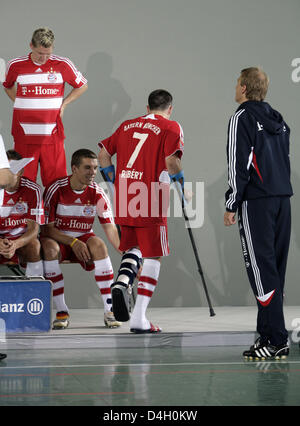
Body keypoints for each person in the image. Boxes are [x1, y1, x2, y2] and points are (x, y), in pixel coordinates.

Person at [98, 89, 184, 333]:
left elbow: (103, 154)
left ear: (147, 108)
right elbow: (171, 162)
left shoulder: (126, 125)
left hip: (127, 196)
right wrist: (182, 184)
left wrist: (114, 181)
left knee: (132, 247)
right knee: (153, 255)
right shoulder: (171, 127)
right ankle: (139, 317)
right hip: (152, 197)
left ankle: (123, 280)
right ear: (169, 109)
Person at [224, 67, 293, 359]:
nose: (234, 87)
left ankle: (276, 338)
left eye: (236, 83)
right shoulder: (280, 120)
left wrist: (232, 203)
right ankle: (268, 336)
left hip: (257, 202)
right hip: (282, 200)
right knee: (274, 271)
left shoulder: (241, 118)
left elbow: (237, 163)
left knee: (260, 271)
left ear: (243, 87)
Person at [41, 149, 121, 330]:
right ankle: (62, 312)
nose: (92, 172)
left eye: (94, 168)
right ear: (74, 168)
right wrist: (72, 242)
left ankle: (110, 311)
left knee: (100, 245)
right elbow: (47, 229)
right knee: (49, 249)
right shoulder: (56, 188)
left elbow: (110, 228)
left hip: (84, 237)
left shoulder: (98, 193)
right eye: (87, 167)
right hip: (59, 239)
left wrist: (126, 256)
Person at [2, 27, 88, 187]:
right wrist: (20, 102)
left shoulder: (63, 64)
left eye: (47, 54)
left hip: (52, 134)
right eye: (40, 54)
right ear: (31, 46)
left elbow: (82, 85)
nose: (44, 58)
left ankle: (54, 213)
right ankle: (25, 213)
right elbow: (7, 86)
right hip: (24, 135)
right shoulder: (15, 65)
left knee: (56, 184)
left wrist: (64, 104)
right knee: (22, 184)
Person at [0, 149, 44, 275]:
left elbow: (34, 229)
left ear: (20, 171)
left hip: (20, 239)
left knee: (34, 245)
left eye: (11, 169)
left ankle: (35, 289)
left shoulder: (33, 190)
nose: (6, 174)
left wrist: (15, 244)